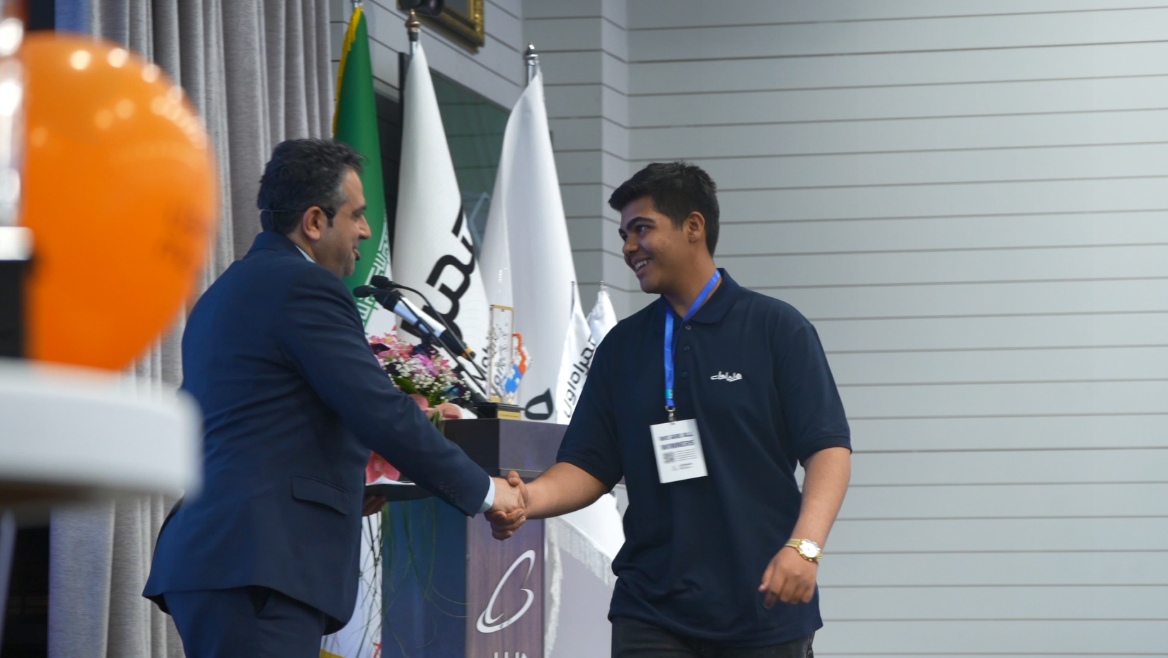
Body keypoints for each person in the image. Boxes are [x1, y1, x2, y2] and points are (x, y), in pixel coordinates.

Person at [144, 139, 526, 658]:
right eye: (357, 214)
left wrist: (343, 487)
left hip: (226, 557)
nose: (365, 231)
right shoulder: (304, 286)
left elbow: (258, 424)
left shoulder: (226, 291)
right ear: (315, 221)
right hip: (258, 565)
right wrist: (485, 492)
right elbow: (379, 410)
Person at [489, 162, 851, 657]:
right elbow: (589, 465)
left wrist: (804, 548)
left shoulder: (777, 329)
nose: (628, 247)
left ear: (693, 226)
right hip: (651, 610)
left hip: (763, 605)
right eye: (624, 234)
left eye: (642, 229)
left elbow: (828, 449)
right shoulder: (621, 347)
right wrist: (528, 498)